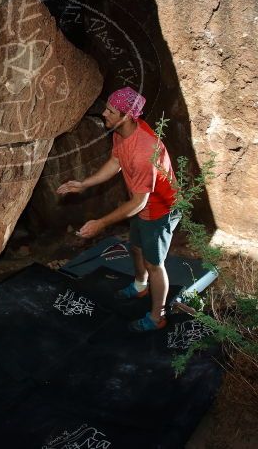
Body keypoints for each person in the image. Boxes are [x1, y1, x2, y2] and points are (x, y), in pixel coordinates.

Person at [56, 87, 180, 332]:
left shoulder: (145, 150)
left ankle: (158, 316)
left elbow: (139, 203)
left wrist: (101, 223)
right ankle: (139, 285)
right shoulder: (122, 132)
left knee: (155, 263)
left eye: (110, 111)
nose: (104, 113)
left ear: (126, 116)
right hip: (141, 206)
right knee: (135, 247)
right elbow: (116, 161)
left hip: (160, 210)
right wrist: (84, 183)